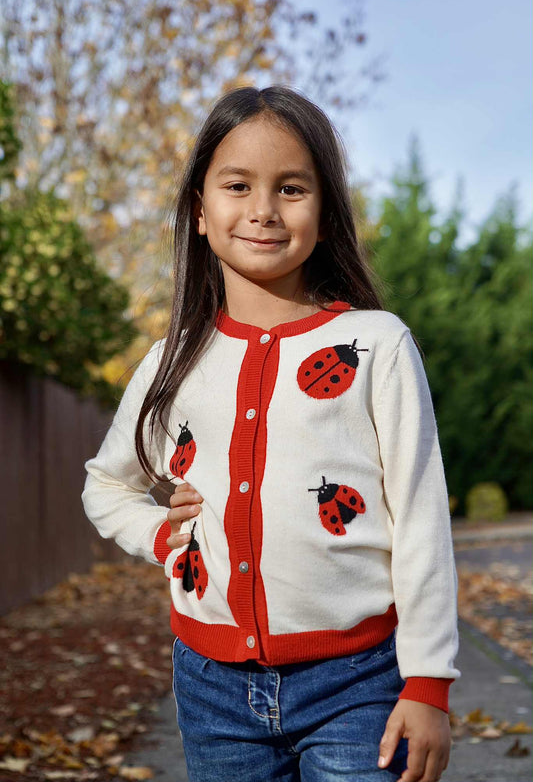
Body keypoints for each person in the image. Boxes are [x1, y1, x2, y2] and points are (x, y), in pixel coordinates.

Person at [82, 86, 459, 782]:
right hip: (209, 688)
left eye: (290, 188)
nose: (261, 210)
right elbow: (106, 483)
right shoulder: (172, 359)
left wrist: (428, 682)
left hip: (359, 684)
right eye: (236, 186)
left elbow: (419, 520)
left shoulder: (374, 345)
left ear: (324, 213)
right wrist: (160, 535)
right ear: (199, 210)